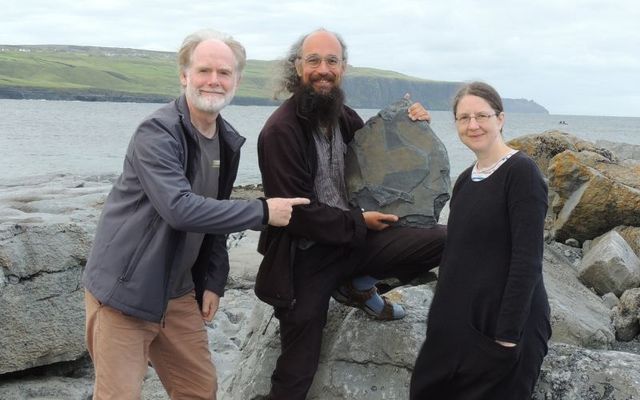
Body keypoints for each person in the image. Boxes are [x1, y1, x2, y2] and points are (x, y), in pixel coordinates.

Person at [82, 29, 309, 400]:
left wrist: (214, 279)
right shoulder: (157, 132)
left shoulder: (225, 141)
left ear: (237, 80)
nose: (214, 81)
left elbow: (214, 219)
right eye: (204, 70)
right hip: (125, 292)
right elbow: (180, 209)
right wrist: (262, 210)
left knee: (199, 389)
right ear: (184, 75)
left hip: (178, 292)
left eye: (224, 73)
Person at [254, 28, 447, 400]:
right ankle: (349, 285)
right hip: (305, 257)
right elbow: (297, 213)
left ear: (343, 67)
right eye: (313, 60)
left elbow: (381, 160)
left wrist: (412, 124)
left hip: (355, 242)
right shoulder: (279, 130)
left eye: (332, 61)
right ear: (297, 67)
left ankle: (358, 284)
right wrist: (359, 222)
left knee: (444, 239)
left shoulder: (344, 117)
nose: (323, 69)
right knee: (298, 368)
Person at [410, 81, 551, 399]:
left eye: (482, 116)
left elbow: (527, 261)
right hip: (461, 325)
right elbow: (457, 257)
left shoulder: (522, 174)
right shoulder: (464, 181)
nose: (473, 125)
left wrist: (506, 337)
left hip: (505, 328)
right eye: (464, 118)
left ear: (500, 119)